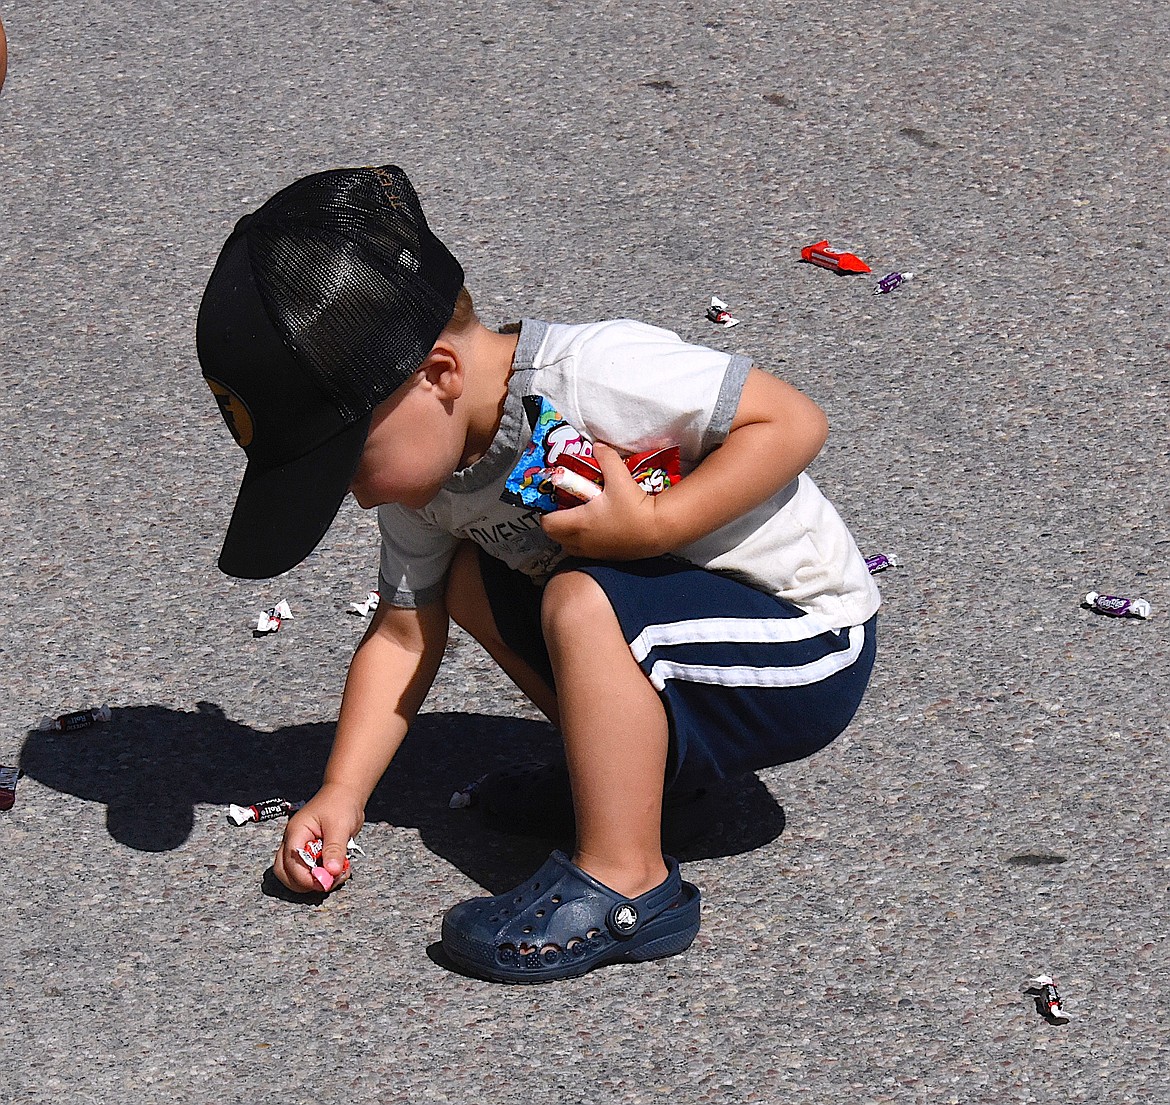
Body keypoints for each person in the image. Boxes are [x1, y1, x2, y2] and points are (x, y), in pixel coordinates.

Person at [196, 164, 880, 983]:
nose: (352, 494)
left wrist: (654, 523)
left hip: (805, 639)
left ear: (440, 376)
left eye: (347, 461)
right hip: (678, 631)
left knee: (582, 599)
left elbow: (795, 419)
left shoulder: (590, 375)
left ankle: (630, 882)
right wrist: (342, 793)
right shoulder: (429, 476)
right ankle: (639, 790)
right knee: (463, 583)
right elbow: (403, 633)